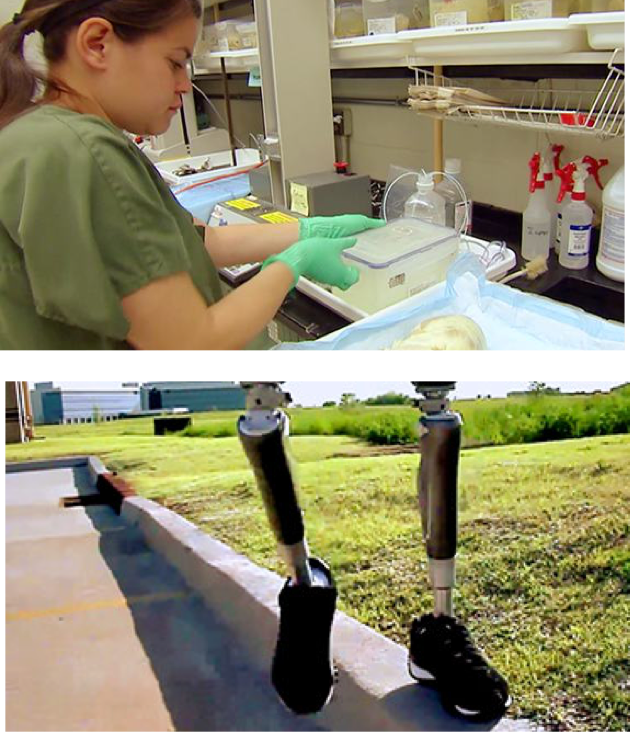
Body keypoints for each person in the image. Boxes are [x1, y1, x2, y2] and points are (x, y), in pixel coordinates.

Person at [0, 0, 384, 351]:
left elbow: (193, 241)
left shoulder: (43, 135)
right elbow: (193, 342)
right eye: (174, 62)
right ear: (97, 43)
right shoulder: (83, 151)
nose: (185, 86)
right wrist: (290, 265)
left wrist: (306, 231)